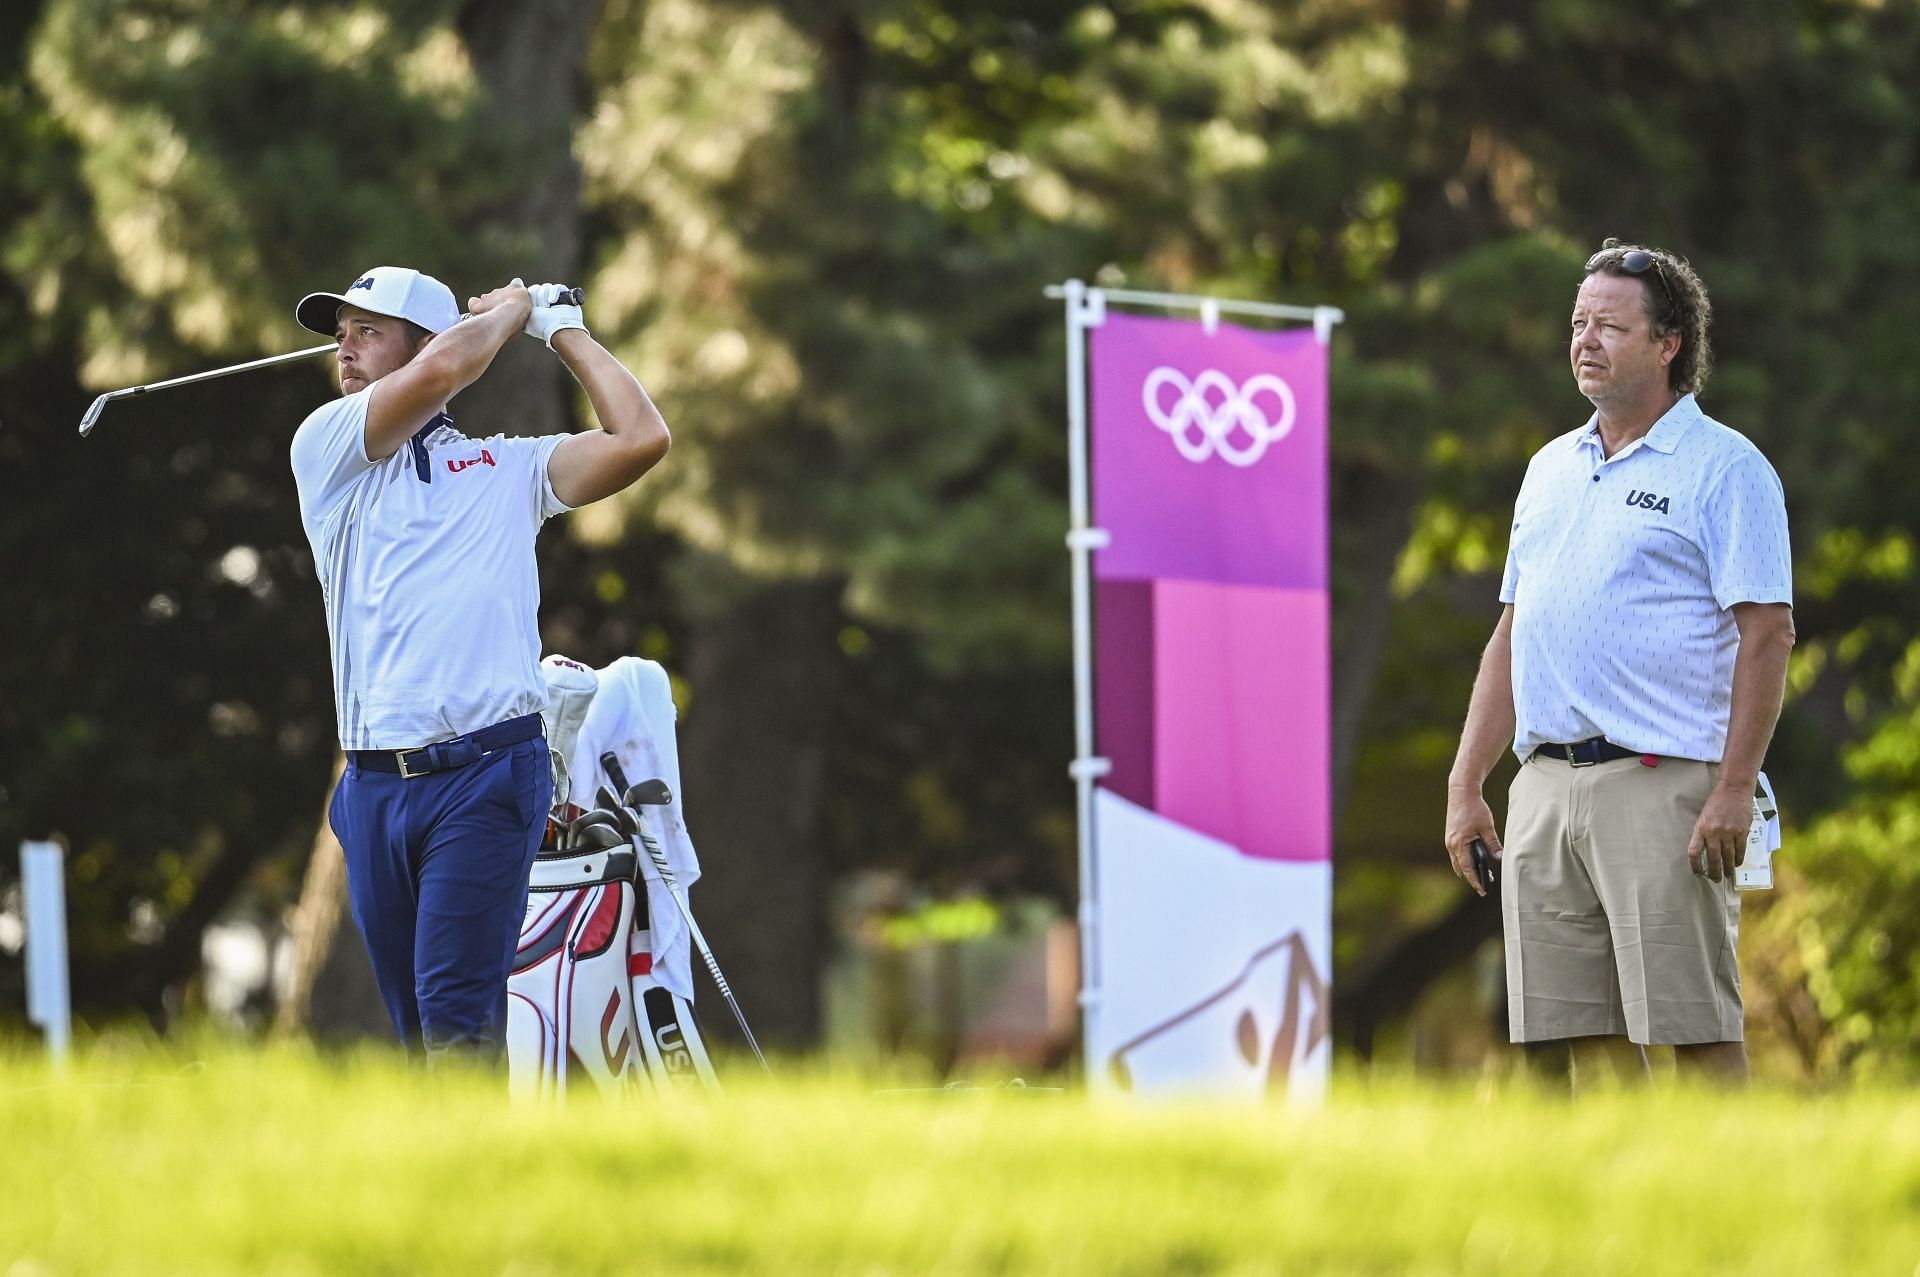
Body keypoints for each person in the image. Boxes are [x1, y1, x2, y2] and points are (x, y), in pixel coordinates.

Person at [289, 266, 669, 1059]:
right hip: (372, 787)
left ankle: (480, 1178)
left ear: (425, 337)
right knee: (416, 1031)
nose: (345, 350)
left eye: (368, 331)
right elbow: (446, 372)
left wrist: (561, 329)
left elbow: (640, 438)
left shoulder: (509, 469)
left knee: (458, 1019)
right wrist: (518, 308)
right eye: (341, 334)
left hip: (487, 775)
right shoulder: (327, 447)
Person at [1443, 239, 1794, 1086]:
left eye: (1610, 324)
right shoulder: (1548, 469)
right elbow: (1511, 636)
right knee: (1574, 1037)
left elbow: (1769, 633)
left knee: (1694, 1024)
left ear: (1668, 343)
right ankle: (1619, 1211)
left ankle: (1737, 1210)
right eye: (1577, 322)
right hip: (1546, 785)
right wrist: (1466, 784)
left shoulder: (1726, 468)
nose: (1585, 340)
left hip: (1666, 784)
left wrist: (1734, 788)